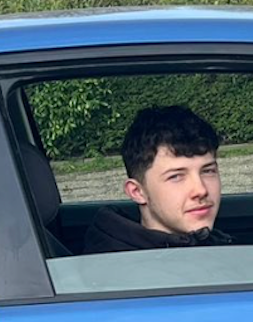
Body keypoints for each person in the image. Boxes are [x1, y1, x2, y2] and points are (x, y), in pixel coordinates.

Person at [79, 105, 234, 254]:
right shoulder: (117, 273)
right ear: (137, 192)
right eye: (176, 176)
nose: (201, 190)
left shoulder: (211, 243)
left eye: (208, 171)